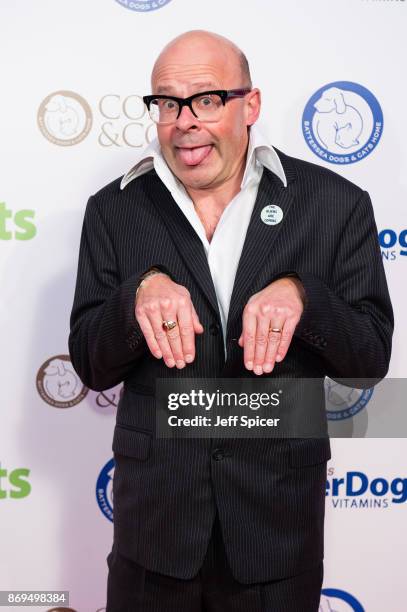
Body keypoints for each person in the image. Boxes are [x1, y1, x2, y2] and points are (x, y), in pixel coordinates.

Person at [68, 30, 393, 611]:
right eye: (167, 103)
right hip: (154, 533)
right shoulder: (114, 210)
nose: (184, 121)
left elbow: (370, 359)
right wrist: (135, 295)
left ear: (251, 105)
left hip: (276, 536)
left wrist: (304, 297)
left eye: (207, 99)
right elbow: (90, 365)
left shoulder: (335, 204)